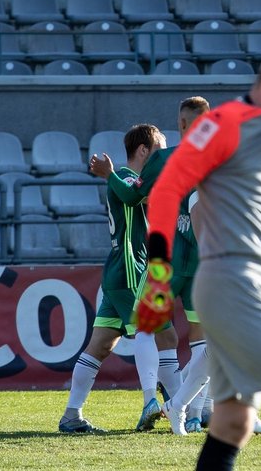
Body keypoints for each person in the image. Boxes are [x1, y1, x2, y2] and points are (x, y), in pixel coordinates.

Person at [142, 48, 261, 471]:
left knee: (232, 421)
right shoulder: (222, 124)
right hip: (232, 281)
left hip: (252, 279)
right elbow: (167, 191)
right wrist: (158, 275)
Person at [90, 97, 216, 434]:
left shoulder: (164, 158)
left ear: (182, 124)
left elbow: (135, 195)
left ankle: (157, 400)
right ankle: (199, 410)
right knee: (204, 340)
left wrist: (113, 176)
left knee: (148, 328)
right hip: (204, 260)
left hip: (167, 259)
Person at [59, 123, 167, 434]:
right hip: (130, 268)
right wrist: (111, 175)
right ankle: (152, 401)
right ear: (144, 150)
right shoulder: (127, 177)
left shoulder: (128, 179)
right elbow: (136, 199)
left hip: (121, 270)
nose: (162, 157)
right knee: (151, 331)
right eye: (158, 149)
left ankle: (71, 415)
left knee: (100, 345)